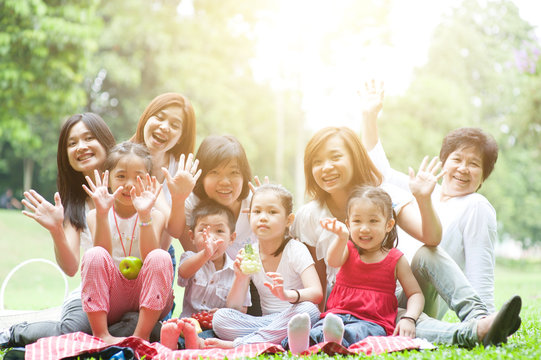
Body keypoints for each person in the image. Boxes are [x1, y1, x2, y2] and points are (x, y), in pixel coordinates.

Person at [292, 124, 521, 347]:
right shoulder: (309, 215)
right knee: (403, 324)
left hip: (391, 297)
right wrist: (323, 326)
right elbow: (318, 282)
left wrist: (423, 199)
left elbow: (431, 238)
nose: (326, 167)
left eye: (335, 157)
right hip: (348, 309)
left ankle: (479, 317)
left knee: (426, 254)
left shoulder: (384, 195)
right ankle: (478, 332)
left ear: (354, 158)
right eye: (317, 162)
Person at [360, 81, 499, 315]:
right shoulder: (422, 188)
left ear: (483, 177)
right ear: (443, 163)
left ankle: (478, 319)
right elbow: (379, 173)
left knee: (426, 253)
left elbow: (480, 271)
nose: (463, 169)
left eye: (474, 164)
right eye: (457, 159)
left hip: (420, 300)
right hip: (384, 291)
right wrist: (369, 116)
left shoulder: (476, 206)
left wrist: (486, 320)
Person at [1, 113, 116, 347]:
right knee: (73, 329)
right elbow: (71, 267)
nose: (80, 147)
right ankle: (12, 333)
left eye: (88, 138)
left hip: (127, 295)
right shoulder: (75, 204)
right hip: (91, 296)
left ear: (105, 141)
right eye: (72, 143)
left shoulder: (129, 187)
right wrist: (56, 230)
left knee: (139, 328)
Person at [183, 184, 323, 349]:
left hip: (293, 314)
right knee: (221, 318)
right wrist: (240, 278)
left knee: (308, 310)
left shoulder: (295, 249)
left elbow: (316, 294)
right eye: (257, 212)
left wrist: (286, 294)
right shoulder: (249, 252)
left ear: (288, 220)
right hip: (267, 322)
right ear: (249, 217)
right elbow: (234, 307)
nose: (263, 217)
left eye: (272, 212)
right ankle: (281, 337)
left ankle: (240, 343)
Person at [287, 186, 424, 353]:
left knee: (357, 333)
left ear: (388, 225)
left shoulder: (396, 259)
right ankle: (302, 343)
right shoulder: (347, 248)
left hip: (372, 322)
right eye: (357, 221)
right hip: (336, 316)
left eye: (373, 221)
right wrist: (342, 237)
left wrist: (409, 318)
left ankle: (333, 342)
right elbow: (333, 260)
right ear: (348, 224)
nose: (364, 228)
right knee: (319, 329)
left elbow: (415, 293)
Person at [81, 141, 173, 344]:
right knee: (93, 255)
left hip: (147, 296)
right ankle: (101, 335)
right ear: (109, 179)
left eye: (138, 177)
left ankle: (141, 335)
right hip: (112, 297)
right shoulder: (96, 214)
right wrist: (103, 214)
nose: (129, 183)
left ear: (148, 181)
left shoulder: (155, 216)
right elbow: (101, 255)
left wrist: (145, 215)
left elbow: (151, 257)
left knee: (160, 256)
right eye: (121, 176)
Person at [160, 199, 251, 350]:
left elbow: (242, 309)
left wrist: (223, 313)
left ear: (232, 238)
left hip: (216, 328)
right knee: (180, 330)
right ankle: (181, 341)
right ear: (191, 236)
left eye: (220, 231)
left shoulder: (238, 269)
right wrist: (205, 254)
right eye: (204, 231)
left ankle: (187, 344)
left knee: (218, 335)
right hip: (189, 323)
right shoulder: (190, 258)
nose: (211, 238)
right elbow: (183, 272)